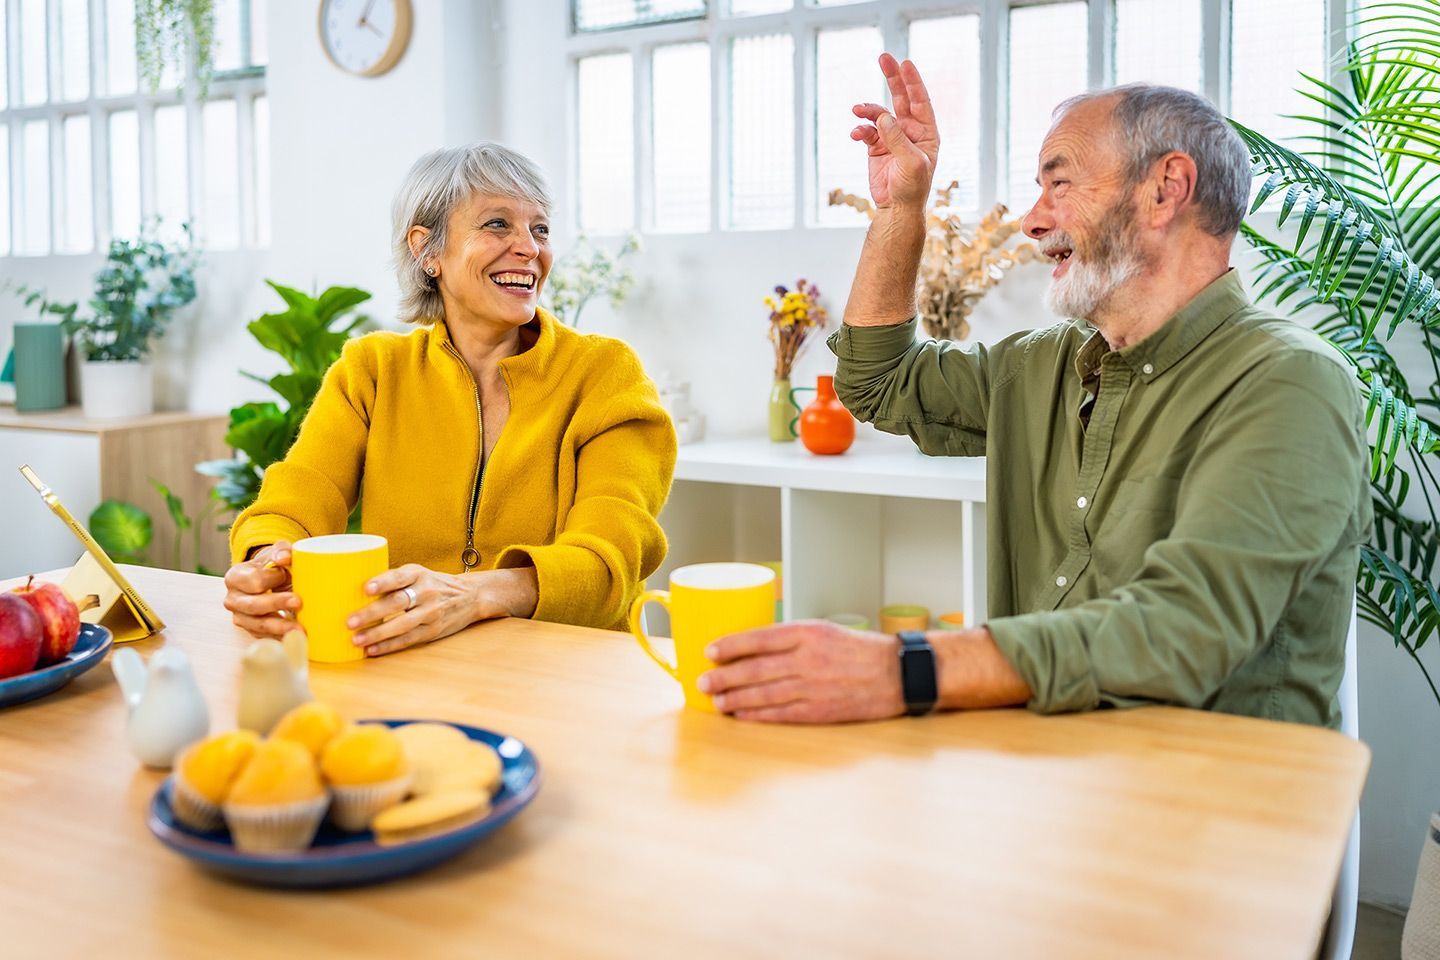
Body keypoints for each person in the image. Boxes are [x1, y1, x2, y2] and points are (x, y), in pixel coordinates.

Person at [701, 55, 1371, 728]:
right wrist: (901, 209)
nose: (1031, 219)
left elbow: (1186, 629)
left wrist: (902, 668)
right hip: (1046, 781)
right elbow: (878, 382)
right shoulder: (1039, 367)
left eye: (1059, 184)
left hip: (1212, 803)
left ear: (1167, 189)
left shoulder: (1289, 381)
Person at [222, 142, 676, 656]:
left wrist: (475, 594)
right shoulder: (370, 371)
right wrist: (266, 563)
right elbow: (299, 496)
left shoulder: (605, 374)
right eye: (498, 224)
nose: (530, 248)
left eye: (540, 229)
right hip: (410, 660)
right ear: (426, 250)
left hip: (570, 666)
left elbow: (612, 553)